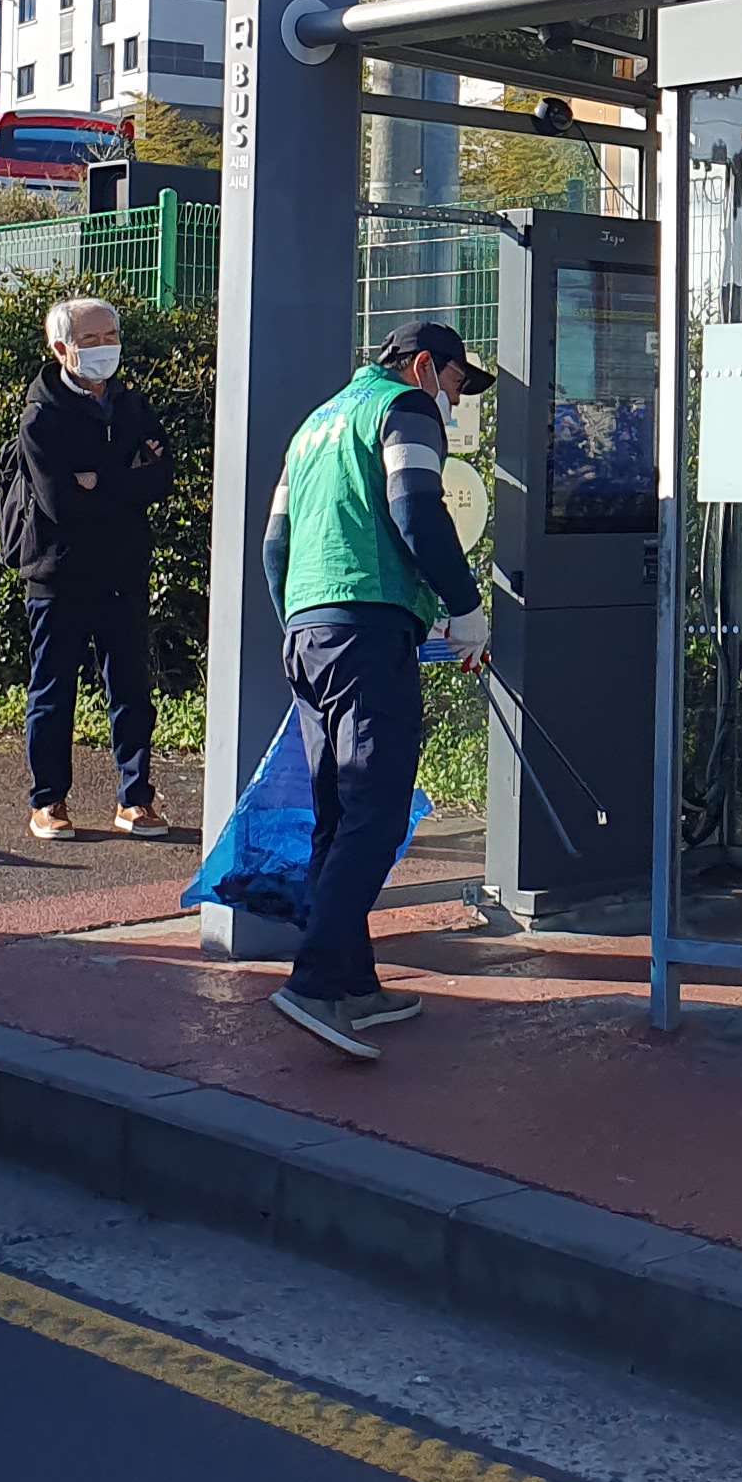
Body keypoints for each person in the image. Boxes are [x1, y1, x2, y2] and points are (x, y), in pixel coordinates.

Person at [255, 320, 494, 1060]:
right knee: (379, 805)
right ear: (424, 366)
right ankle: (318, 982)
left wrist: (304, 618)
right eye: (455, 386)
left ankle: (355, 981)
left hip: (308, 631)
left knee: (339, 808)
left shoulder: (317, 423)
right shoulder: (404, 408)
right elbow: (416, 506)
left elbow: (275, 546)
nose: (452, 407)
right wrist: (466, 607)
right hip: (367, 629)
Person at [4, 294, 176, 844]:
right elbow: (61, 504)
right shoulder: (41, 417)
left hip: (123, 568)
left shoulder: (132, 403)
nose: (105, 349)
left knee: (131, 685)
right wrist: (122, 479)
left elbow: (162, 477)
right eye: (90, 339)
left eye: (110, 336)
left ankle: (136, 799)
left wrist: (97, 479)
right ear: (61, 349)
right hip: (57, 572)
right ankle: (48, 802)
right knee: (53, 691)